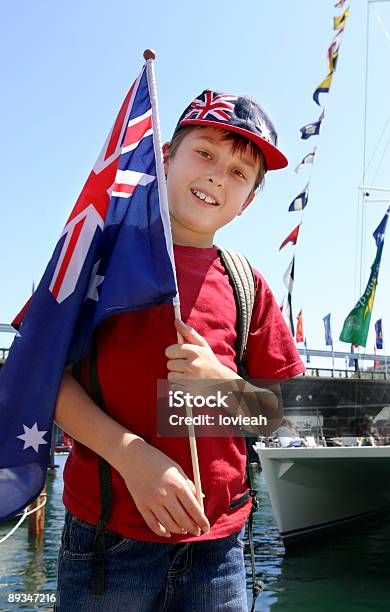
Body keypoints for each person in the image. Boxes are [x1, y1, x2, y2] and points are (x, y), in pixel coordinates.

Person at [54, 89, 305, 611]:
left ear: (250, 200)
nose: (218, 175)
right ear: (165, 157)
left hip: (220, 548)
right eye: (206, 153)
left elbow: (276, 415)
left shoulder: (247, 286)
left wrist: (222, 384)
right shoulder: (97, 260)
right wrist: (131, 456)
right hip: (109, 540)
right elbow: (45, 377)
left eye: (240, 172)